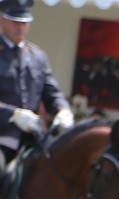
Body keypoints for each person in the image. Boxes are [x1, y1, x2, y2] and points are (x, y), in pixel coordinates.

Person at [0, 0, 73, 164]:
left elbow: (52, 93)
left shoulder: (37, 56)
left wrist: (63, 111)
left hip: (35, 137)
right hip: (3, 136)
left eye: (25, 23)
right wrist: (13, 115)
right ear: (1, 20)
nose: (20, 28)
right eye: (15, 22)